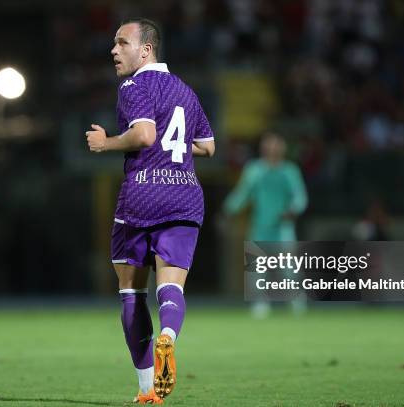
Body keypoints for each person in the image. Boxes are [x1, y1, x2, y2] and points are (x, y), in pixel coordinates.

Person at [85, 18, 215, 404]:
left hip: (142, 195)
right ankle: (168, 337)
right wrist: (171, 151)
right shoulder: (186, 91)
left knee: (132, 292)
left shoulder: (133, 85)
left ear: (146, 50)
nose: (113, 50)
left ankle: (147, 392)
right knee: (171, 286)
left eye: (122, 43)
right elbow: (207, 147)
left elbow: (143, 135)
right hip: (186, 195)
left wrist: (107, 142)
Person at [223, 132, 308, 317]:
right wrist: (229, 209)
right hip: (260, 227)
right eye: (268, 146)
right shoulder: (255, 170)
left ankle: (296, 298)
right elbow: (242, 193)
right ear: (263, 148)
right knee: (256, 268)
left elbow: (300, 196)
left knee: (288, 269)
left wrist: (293, 209)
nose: (272, 149)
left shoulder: (290, 171)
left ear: (282, 149)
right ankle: (260, 302)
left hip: (282, 229)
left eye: (276, 146)